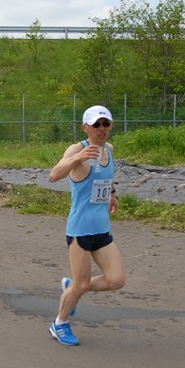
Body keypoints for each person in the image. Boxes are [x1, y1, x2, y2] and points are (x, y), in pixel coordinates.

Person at [47, 105, 125, 345]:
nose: (101, 129)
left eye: (106, 124)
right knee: (81, 284)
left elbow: (106, 177)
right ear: (85, 127)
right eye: (96, 125)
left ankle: (72, 287)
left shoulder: (109, 150)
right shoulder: (77, 149)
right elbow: (54, 174)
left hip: (101, 228)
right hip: (80, 229)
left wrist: (112, 193)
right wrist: (77, 158)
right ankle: (59, 324)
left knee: (116, 280)